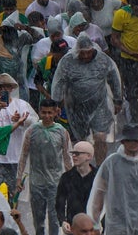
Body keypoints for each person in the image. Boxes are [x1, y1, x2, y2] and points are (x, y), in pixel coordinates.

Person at [50, 35, 121, 165]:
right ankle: (84, 169)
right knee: (82, 140)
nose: (87, 56)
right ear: (77, 51)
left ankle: (100, 167)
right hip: (76, 106)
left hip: (100, 104)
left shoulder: (103, 59)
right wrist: (55, 104)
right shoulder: (67, 61)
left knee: (100, 137)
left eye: (89, 52)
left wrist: (118, 99)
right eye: (83, 53)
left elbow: (114, 77)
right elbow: (59, 81)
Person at [16, 98, 70, 235]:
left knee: (54, 219)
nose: (47, 116)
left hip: (56, 183)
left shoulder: (61, 132)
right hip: (36, 182)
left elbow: (67, 157)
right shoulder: (32, 131)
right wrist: (19, 179)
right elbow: (23, 155)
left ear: (55, 113)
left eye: (50, 113)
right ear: (39, 112)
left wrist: (71, 179)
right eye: (44, 112)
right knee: (38, 218)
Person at [55, 141, 97, 235]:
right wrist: (62, 221)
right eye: (73, 153)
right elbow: (59, 202)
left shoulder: (98, 177)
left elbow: (105, 202)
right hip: (73, 226)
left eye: (77, 154)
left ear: (89, 156)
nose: (74, 156)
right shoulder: (66, 177)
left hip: (93, 226)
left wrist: (103, 225)